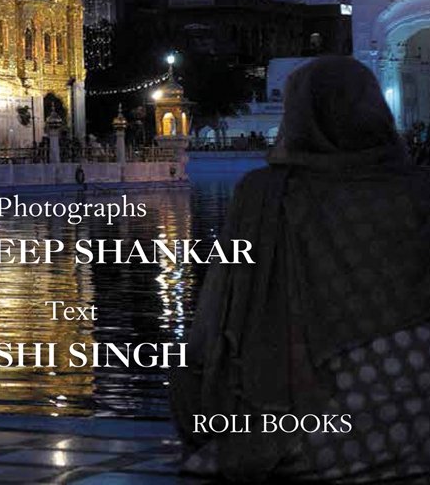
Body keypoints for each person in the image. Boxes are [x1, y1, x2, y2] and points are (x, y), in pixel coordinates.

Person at [170, 56, 430, 482]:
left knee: (189, 377)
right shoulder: (420, 190)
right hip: (420, 425)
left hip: (310, 435)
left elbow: (212, 325)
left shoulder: (264, 194)